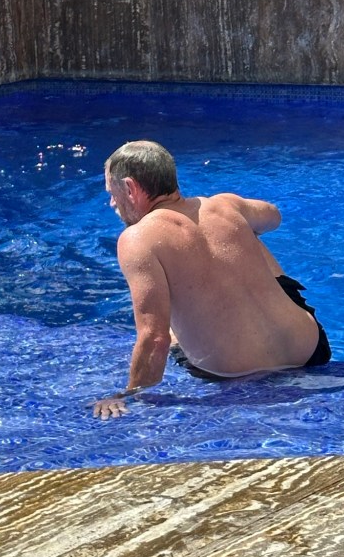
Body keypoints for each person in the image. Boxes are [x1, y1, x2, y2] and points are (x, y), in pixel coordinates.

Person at [93, 140, 331, 420]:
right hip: (311, 350)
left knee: (169, 331)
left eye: (113, 192)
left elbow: (153, 338)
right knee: (245, 232)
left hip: (236, 374)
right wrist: (230, 226)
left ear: (131, 188)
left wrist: (130, 394)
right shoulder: (223, 205)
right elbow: (274, 217)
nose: (112, 202)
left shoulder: (137, 239)